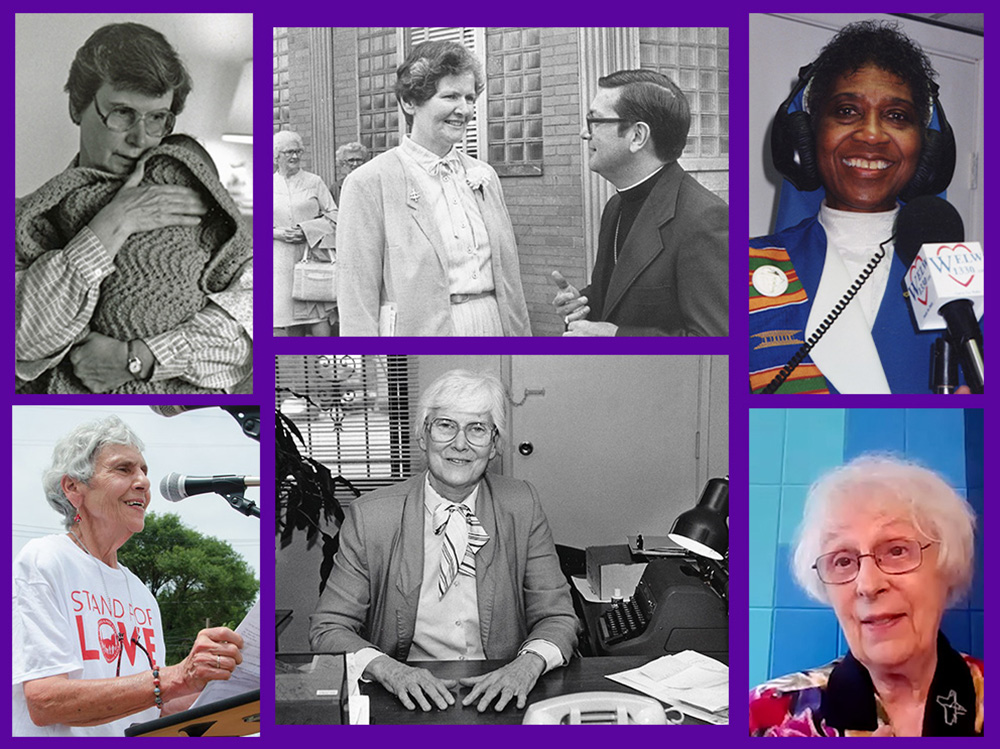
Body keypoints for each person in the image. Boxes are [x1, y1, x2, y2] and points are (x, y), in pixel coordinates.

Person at [310, 370, 577, 713]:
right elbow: (328, 628)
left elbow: (558, 617)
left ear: (495, 445)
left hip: (501, 691)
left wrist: (526, 666)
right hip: (406, 695)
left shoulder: (522, 504)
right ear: (423, 435)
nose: (460, 444)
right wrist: (390, 671)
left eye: (477, 429)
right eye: (446, 425)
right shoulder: (371, 517)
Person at [15, 22, 252, 394]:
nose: (140, 138)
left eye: (157, 118)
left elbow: (245, 334)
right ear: (78, 107)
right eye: (122, 113)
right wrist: (114, 221)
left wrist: (138, 357)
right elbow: (25, 340)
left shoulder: (194, 197)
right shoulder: (25, 221)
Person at [749, 21, 962, 394]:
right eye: (847, 111)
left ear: (927, 149)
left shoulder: (971, 289)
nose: (872, 135)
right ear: (808, 135)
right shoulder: (745, 269)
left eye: (897, 116)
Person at [13, 416, 245, 736]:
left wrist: (226, 685)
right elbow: (46, 702)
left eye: (144, 471)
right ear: (73, 487)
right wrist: (177, 676)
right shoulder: (45, 561)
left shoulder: (141, 594)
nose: (143, 482)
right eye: (124, 469)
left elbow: (156, 705)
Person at [749, 455, 982, 737]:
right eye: (843, 561)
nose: (868, 585)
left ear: (948, 565)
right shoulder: (764, 715)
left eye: (896, 551)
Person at [337, 41, 531, 336]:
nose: (464, 110)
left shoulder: (485, 176)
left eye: (469, 97)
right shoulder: (368, 182)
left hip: (495, 325)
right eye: (450, 96)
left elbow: (510, 282)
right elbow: (356, 298)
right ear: (410, 102)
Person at [550, 69, 728, 337]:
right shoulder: (614, 207)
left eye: (594, 122)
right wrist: (583, 304)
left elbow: (715, 339)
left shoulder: (704, 219)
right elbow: (619, 298)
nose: (584, 134)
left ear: (637, 136)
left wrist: (615, 336)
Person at [273, 130, 338, 336]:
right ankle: (301, 369)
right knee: (291, 320)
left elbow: (335, 215)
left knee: (318, 319)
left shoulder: (314, 181)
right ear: (276, 155)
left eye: (298, 151)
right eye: (289, 152)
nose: (295, 156)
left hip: (311, 255)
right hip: (279, 259)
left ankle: (327, 366)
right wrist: (277, 233)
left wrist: (307, 230)